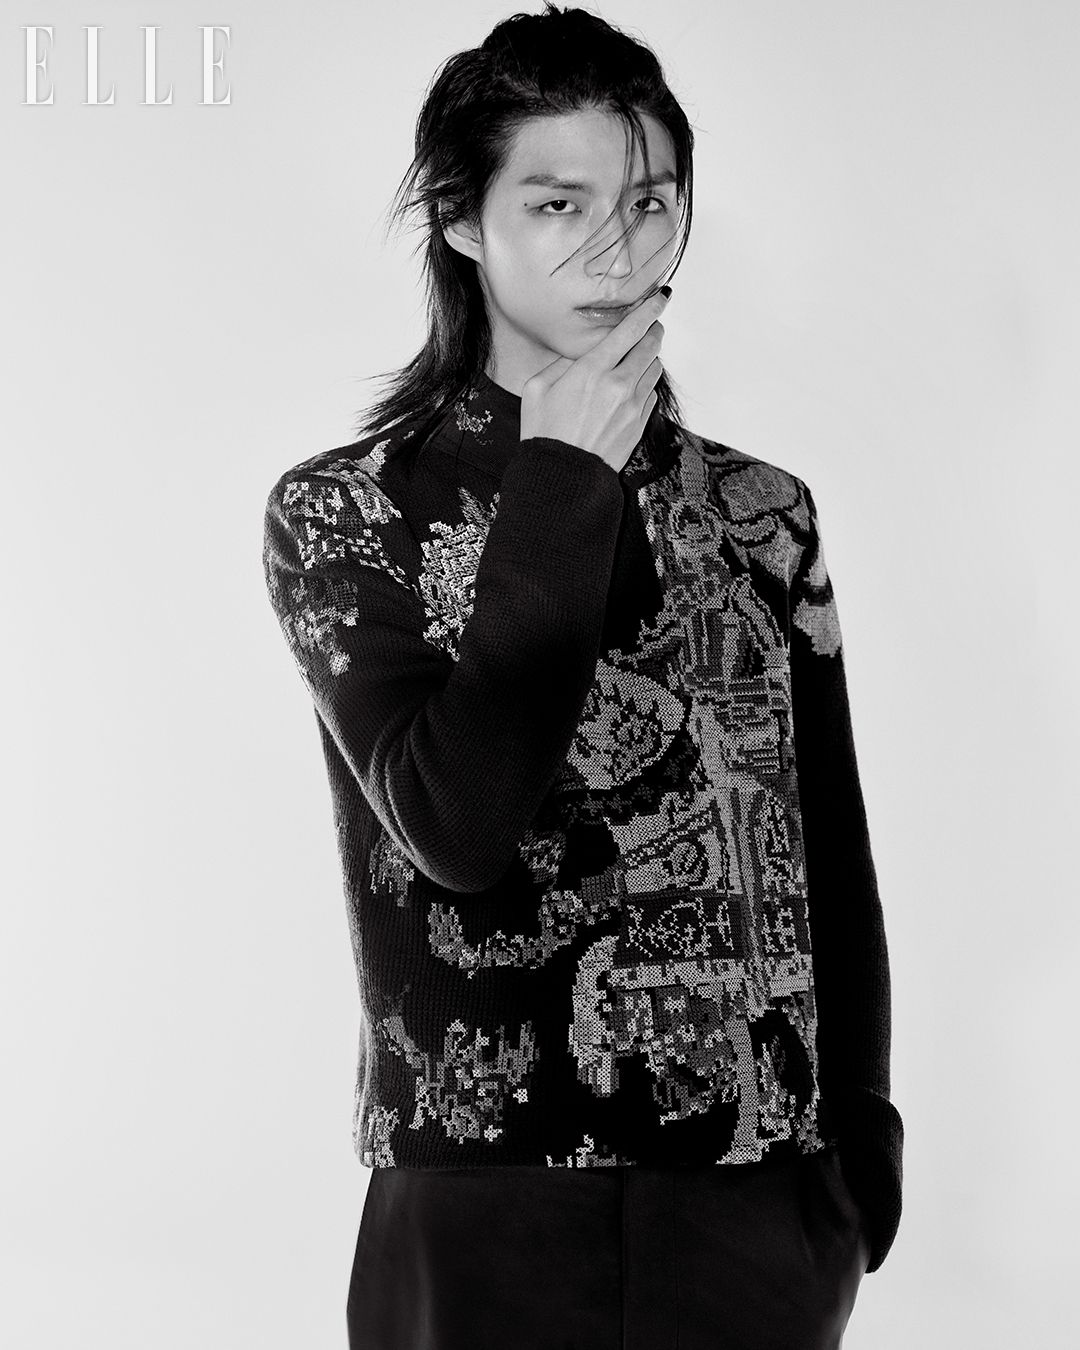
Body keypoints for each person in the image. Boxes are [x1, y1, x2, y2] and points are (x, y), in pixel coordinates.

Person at [261, 5, 904, 1347]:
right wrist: (558, 480)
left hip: (755, 1194)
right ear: (462, 218)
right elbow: (454, 824)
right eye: (558, 204)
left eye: (652, 203)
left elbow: (823, 842)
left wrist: (859, 1148)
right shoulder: (348, 515)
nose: (619, 248)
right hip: (479, 1187)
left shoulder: (761, 512)